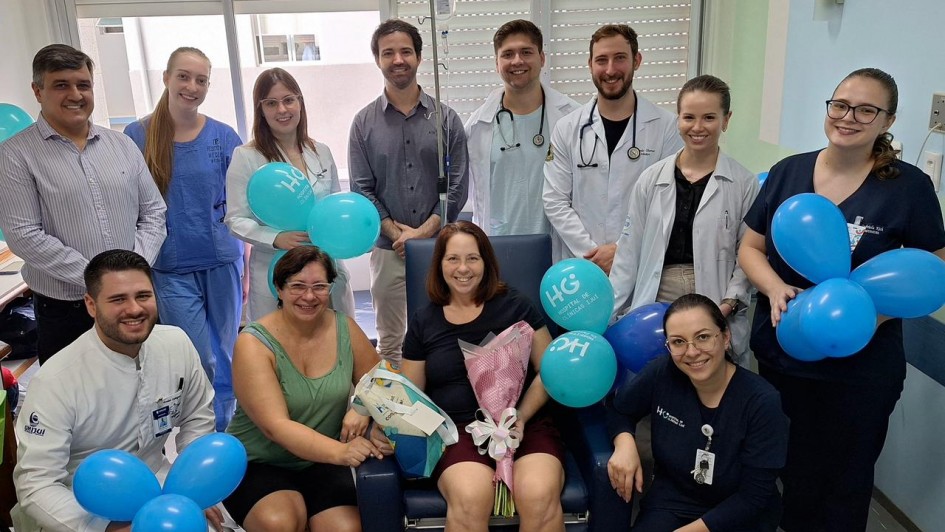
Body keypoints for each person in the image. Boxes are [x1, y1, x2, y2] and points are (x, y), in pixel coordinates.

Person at [738, 68, 945, 531]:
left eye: (866, 109)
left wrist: (875, 314)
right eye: (840, 105)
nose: (849, 117)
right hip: (783, 354)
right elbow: (749, 248)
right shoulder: (790, 171)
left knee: (844, 483)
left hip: (862, 367)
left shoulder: (909, 188)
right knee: (786, 472)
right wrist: (773, 287)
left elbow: (934, 269)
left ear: (887, 120)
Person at [372, 220, 565, 531]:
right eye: (453, 259)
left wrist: (522, 417)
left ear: (486, 263)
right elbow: (411, 395)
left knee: (539, 495)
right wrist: (385, 426)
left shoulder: (517, 306)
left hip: (524, 425)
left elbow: (550, 371)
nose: (463, 268)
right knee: (470, 497)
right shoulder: (424, 322)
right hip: (456, 431)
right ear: (440, 265)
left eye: (473, 258)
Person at [11, 250, 217, 532]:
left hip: (158, 486)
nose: (134, 309)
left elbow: (198, 420)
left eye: (143, 296)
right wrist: (105, 528)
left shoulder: (176, 343)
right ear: (91, 305)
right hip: (76, 505)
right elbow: (36, 484)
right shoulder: (56, 379)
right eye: (118, 299)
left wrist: (195, 490)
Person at [0, 44, 166, 365]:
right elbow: (23, 234)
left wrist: (130, 272)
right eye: (61, 84)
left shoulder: (121, 144)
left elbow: (153, 213)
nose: (75, 94)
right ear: (38, 91)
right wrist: (100, 281)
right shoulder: (15, 155)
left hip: (132, 302)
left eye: (83, 84)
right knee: (78, 405)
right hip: (66, 310)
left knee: (144, 388)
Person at [124, 46, 243, 431]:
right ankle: (202, 430)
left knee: (225, 354)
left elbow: (239, 203)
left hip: (222, 261)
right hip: (170, 267)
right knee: (199, 356)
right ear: (166, 78)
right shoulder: (136, 135)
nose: (192, 86)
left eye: (201, 79)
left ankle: (224, 434)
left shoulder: (224, 137)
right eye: (184, 76)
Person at [223, 246, 380, 531]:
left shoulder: (345, 328)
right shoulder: (253, 343)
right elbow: (276, 427)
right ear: (278, 289)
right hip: (259, 462)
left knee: (345, 529)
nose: (309, 296)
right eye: (297, 286)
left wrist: (362, 406)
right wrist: (343, 454)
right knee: (280, 523)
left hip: (320, 461)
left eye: (319, 286)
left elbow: (384, 382)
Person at [607, 293, 789, 531]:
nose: (691, 352)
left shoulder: (762, 401)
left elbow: (753, 497)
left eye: (702, 337)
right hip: (673, 502)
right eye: (678, 342)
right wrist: (624, 444)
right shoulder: (663, 373)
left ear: (725, 337)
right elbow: (619, 409)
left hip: (737, 512)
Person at [610, 75, 758, 366]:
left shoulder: (743, 183)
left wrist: (728, 303)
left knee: (707, 375)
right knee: (655, 374)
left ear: (726, 120)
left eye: (709, 117)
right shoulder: (651, 179)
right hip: (658, 291)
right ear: (678, 118)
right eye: (689, 117)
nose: (698, 127)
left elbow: (748, 256)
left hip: (714, 296)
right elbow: (628, 252)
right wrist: (611, 315)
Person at [349, 19, 469, 363]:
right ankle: (396, 415)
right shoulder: (363, 123)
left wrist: (422, 233)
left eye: (405, 51)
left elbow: (457, 186)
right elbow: (362, 189)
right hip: (388, 252)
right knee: (390, 344)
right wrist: (399, 234)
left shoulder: (445, 119)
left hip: (439, 250)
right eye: (389, 53)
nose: (398, 60)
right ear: (378, 60)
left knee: (444, 338)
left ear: (418, 57)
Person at [543, 24, 682, 270]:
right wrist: (594, 255)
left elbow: (667, 202)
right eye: (601, 60)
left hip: (638, 264)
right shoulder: (567, 128)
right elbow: (555, 200)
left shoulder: (666, 127)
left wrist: (622, 251)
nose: (610, 70)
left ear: (636, 60)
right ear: (590, 65)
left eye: (619, 58)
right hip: (580, 266)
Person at [226, 68, 355, 323]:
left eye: (288, 100)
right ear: (260, 110)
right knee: (278, 348)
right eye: (271, 103)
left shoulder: (320, 151)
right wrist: (276, 238)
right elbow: (235, 219)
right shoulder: (247, 156)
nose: (282, 110)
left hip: (323, 265)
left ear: (300, 102)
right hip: (275, 268)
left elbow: (332, 206)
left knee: (333, 341)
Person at [464, 19, 579, 236]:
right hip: (497, 246)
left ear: (542, 58)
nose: (517, 61)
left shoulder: (573, 118)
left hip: (559, 245)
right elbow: (473, 196)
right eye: (508, 54)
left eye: (526, 52)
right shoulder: (477, 127)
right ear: (496, 63)